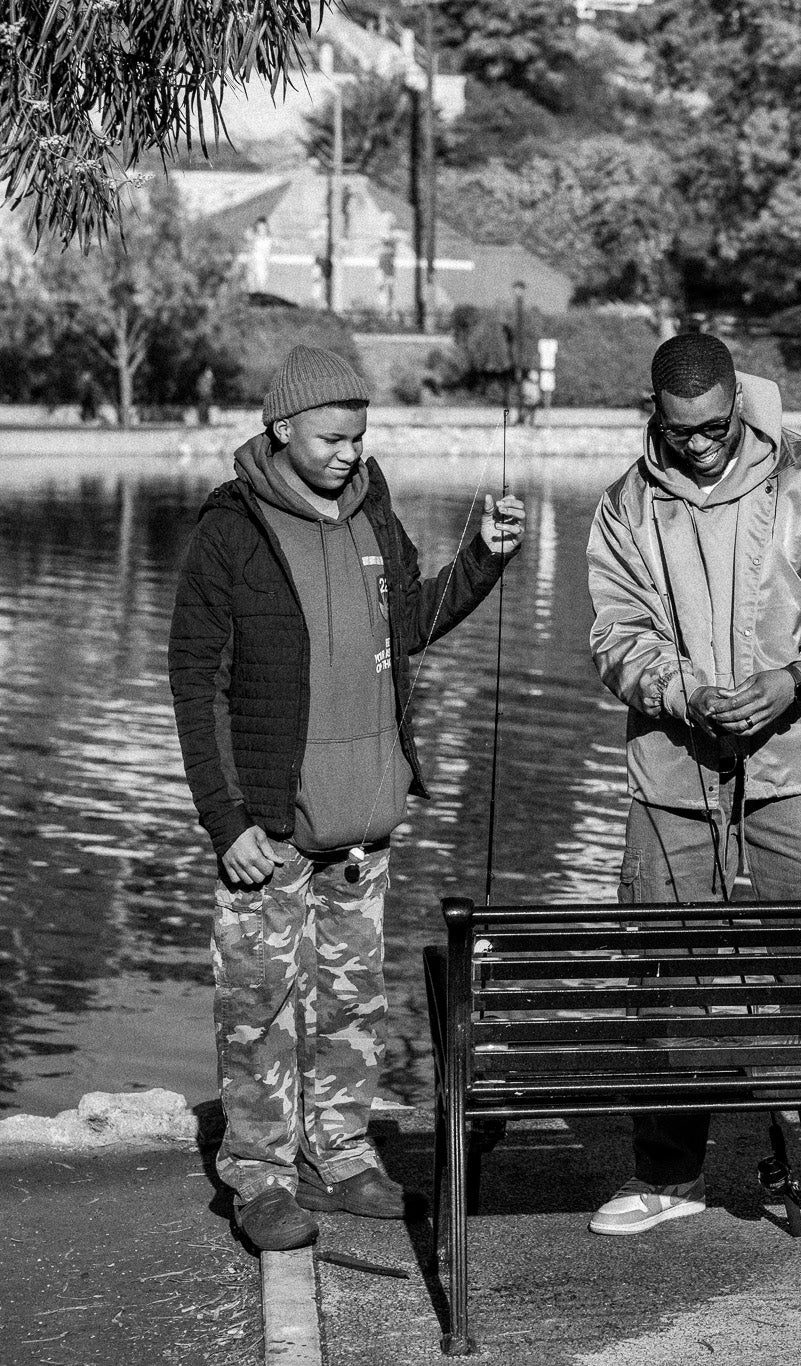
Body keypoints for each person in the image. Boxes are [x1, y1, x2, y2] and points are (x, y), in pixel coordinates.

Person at [168, 345, 525, 1252]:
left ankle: (345, 1155)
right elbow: (195, 684)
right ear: (282, 429)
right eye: (331, 437)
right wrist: (228, 819)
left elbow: (412, 627)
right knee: (259, 1010)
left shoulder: (374, 510)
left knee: (353, 1005)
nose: (347, 453)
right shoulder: (230, 532)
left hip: (366, 821)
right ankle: (259, 1178)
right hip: (271, 829)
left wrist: (481, 559)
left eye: (359, 437)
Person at [585, 332, 801, 1251]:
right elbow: (616, 634)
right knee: (665, 978)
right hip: (673, 777)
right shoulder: (624, 507)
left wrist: (796, 676)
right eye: (679, 431)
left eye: (714, 426)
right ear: (657, 411)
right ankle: (669, 1173)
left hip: (799, 768)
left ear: (737, 402)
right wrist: (680, 690)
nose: (698, 445)